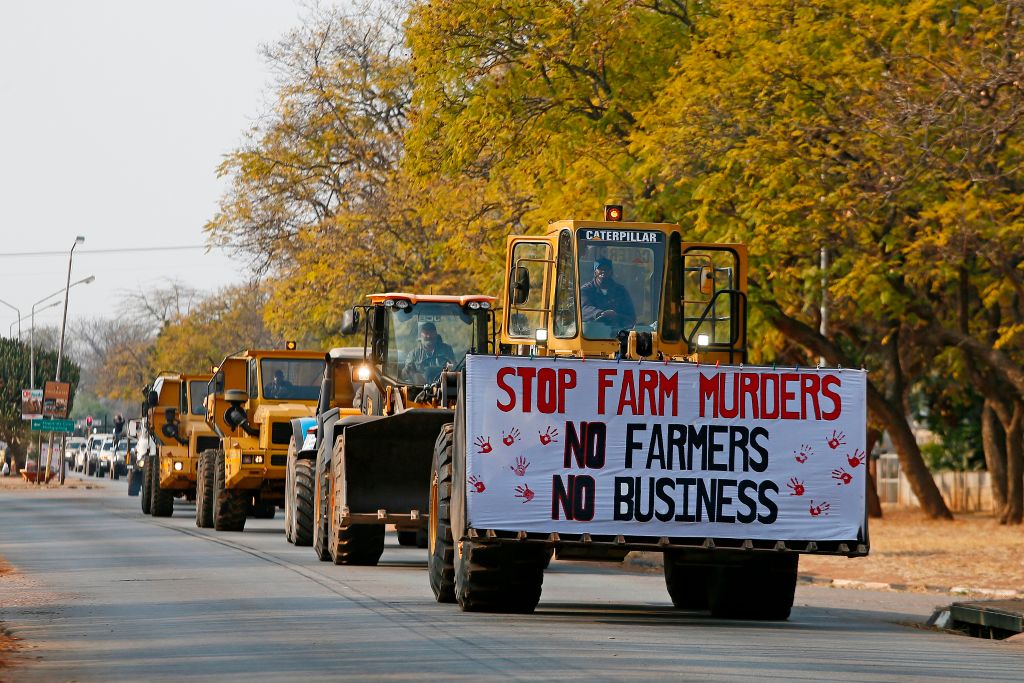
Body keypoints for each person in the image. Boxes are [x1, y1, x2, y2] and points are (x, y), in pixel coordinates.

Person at [580, 257, 636, 330]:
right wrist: (599, 313)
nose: (603, 271)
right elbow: (583, 309)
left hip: (617, 334)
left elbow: (630, 316)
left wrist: (616, 316)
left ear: (611, 272)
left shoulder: (621, 291)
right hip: (591, 335)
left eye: (607, 269)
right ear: (595, 272)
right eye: (600, 268)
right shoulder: (586, 290)